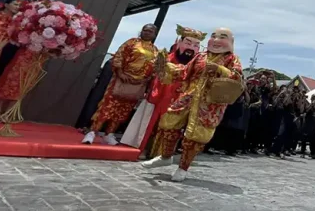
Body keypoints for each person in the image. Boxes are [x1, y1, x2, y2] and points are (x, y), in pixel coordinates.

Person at [142, 28, 243, 182]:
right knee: (169, 122)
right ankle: (165, 156)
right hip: (188, 96)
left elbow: (237, 77)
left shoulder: (232, 59)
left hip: (210, 103)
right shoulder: (200, 57)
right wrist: (167, 67)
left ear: (230, 42)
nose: (216, 40)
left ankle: (183, 168)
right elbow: (184, 73)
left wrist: (220, 69)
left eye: (222, 37)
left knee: (194, 137)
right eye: (213, 36)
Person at [82, 24, 160, 145]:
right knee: (108, 106)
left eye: (150, 31)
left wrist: (146, 79)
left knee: (123, 110)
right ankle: (92, 132)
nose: (147, 33)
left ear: (154, 34)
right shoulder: (131, 43)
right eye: (145, 30)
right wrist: (120, 72)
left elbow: (154, 68)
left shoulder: (155, 51)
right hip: (122, 79)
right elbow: (119, 56)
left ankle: (109, 134)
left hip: (136, 85)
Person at [142, 25, 205, 157]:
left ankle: (163, 154)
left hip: (182, 100)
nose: (191, 48)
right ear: (179, 42)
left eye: (196, 45)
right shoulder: (167, 58)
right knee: (155, 123)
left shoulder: (197, 64)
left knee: (174, 128)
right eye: (188, 43)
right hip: (164, 96)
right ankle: (147, 149)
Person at [0, 0, 21, 122]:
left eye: (19, 6)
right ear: (6, 4)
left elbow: (9, 38)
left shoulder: (15, 23)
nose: (17, 7)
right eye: (15, 4)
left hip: (0, 52)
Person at [300, 94, 315, 158]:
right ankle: (302, 152)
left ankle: (313, 153)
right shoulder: (308, 105)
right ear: (311, 99)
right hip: (307, 124)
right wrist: (311, 104)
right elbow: (306, 111)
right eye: (313, 98)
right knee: (304, 139)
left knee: (313, 140)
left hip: (313, 125)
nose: (314, 99)